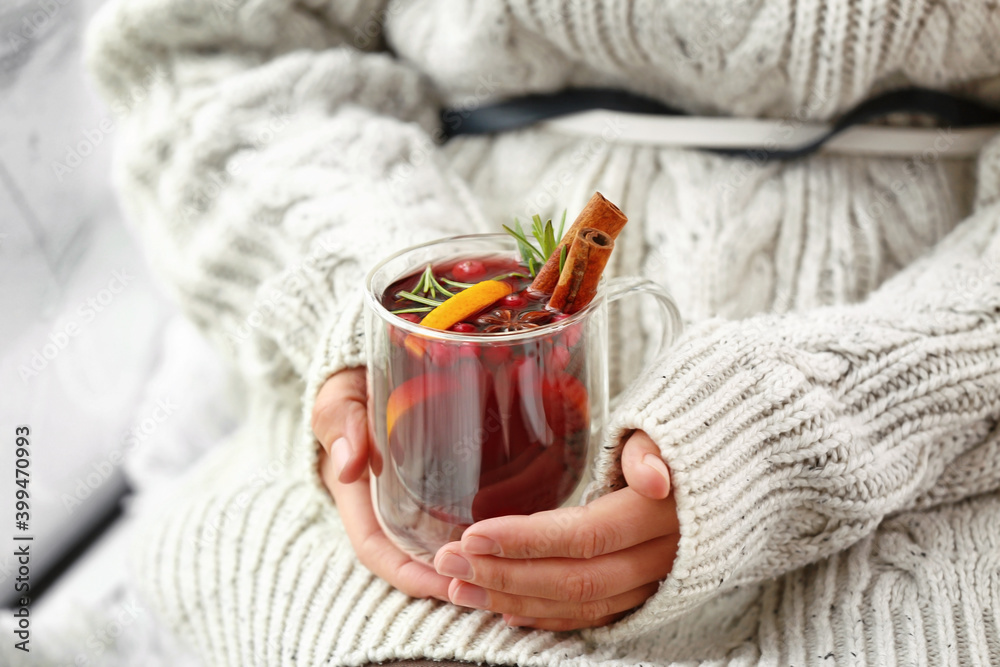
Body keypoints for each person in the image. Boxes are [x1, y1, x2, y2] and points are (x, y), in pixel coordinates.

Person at [85, 0, 1000, 664]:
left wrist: (833, 411)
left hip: (930, 391)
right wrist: (368, 302)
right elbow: (206, 54)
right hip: (416, 304)